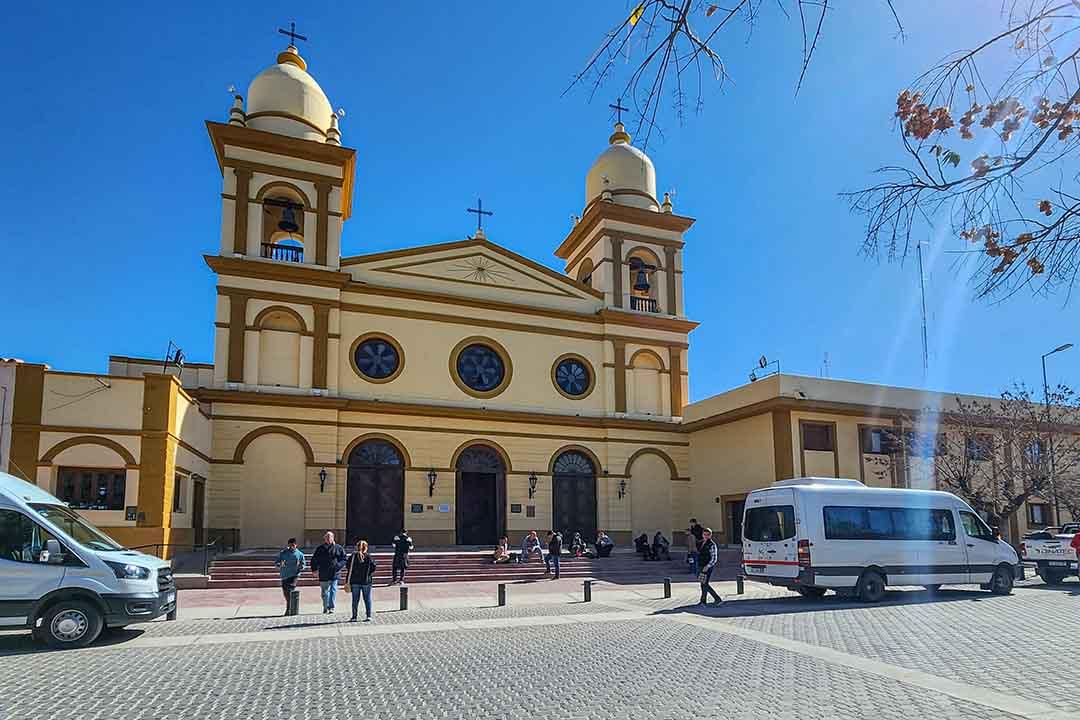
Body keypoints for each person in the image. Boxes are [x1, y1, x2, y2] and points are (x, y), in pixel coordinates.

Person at [310, 531, 347, 614]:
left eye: (329, 537)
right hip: (323, 573)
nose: (328, 539)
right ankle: (325, 606)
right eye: (326, 538)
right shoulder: (320, 548)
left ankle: (331, 607)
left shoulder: (338, 548)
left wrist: (338, 565)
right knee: (325, 592)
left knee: (333, 590)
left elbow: (344, 559)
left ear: (333, 538)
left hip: (334, 573)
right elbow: (314, 560)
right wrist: (314, 569)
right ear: (324, 539)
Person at [345, 539, 377, 622]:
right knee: (367, 599)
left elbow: (347, 567)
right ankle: (368, 616)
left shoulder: (353, 556)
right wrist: (368, 573)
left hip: (355, 581)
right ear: (366, 547)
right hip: (366, 581)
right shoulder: (368, 556)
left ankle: (354, 616)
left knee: (355, 600)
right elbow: (374, 567)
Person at [274, 537, 306, 616]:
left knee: (291, 590)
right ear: (288, 545)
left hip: (294, 575)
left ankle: (289, 609)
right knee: (286, 593)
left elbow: (303, 564)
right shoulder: (283, 553)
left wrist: (301, 567)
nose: (292, 547)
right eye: (290, 545)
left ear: (296, 545)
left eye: (293, 545)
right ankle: (290, 606)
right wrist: (279, 564)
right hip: (284, 575)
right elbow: (277, 563)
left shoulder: (300, 554)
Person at [698, 528, 721, 606]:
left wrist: (707, 566)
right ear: (702, 534)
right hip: (701, 565)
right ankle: (703, 600)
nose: (706, 536)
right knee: (703, 583)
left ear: (710, 535)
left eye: (708, 535)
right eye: (704, 534)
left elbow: (714, 558)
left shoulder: (712, 544)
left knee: (704, 583)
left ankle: (717, 599)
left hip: (707, 566)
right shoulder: (701, 543)